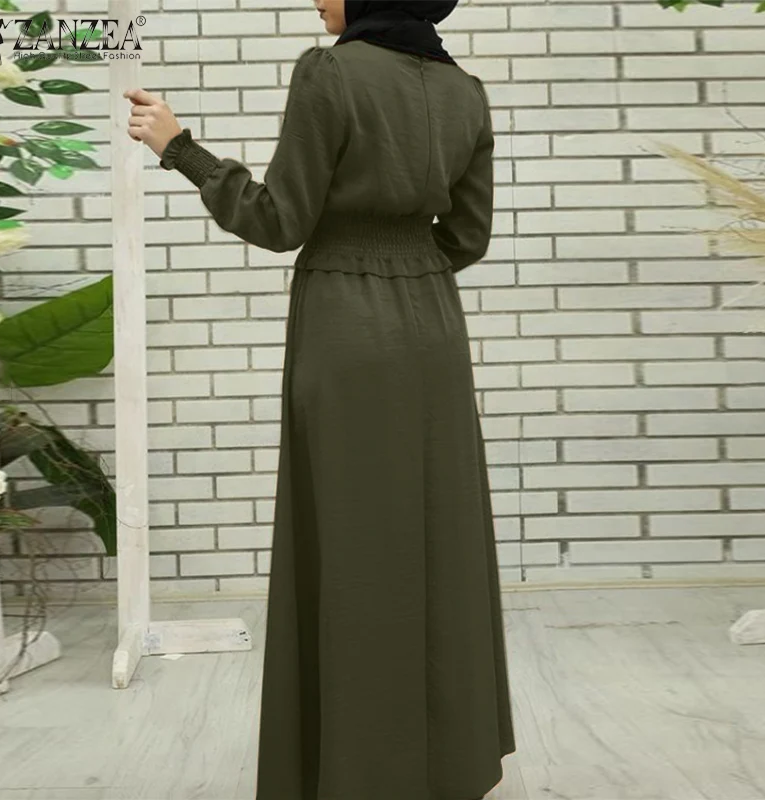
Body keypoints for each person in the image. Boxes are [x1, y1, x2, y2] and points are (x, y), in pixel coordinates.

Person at [124, 0, 516, 797]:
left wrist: (180, 148)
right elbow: (467, 236)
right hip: (435, 325)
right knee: (439, 536)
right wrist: (404, 261)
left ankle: (358, 768)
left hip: (347, 324)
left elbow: (280, 220)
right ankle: (445, 763)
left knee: (349, 541)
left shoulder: (330, 71)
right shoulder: (465, 90)